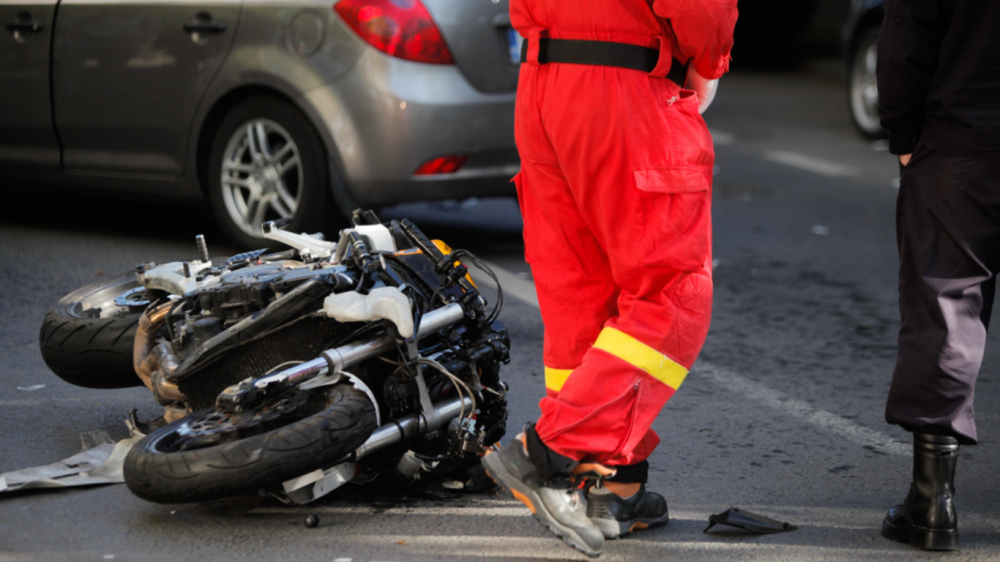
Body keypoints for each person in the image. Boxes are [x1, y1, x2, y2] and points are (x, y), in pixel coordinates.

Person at [482, 0, 737, 556]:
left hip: (544, 85)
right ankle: (549, 454)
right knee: (673, 297)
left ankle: (608, 486)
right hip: (627, 89)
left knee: (581, 297)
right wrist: (709, 63)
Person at [876, 0, 1000, 552]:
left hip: (961, 138)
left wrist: (901, 134)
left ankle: (933, 504)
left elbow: (907, 35)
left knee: (945, 306)